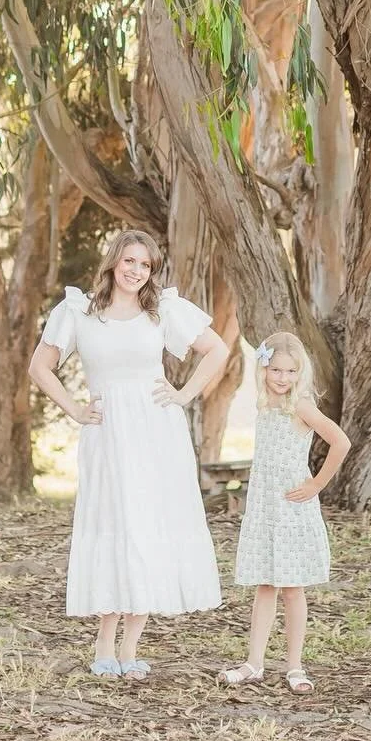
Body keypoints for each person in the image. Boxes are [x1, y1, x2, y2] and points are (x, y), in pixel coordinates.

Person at [28, 229, 228, 679]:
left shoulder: (162, 311)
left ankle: (132, 645)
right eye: (130, 261)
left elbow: (217, 349)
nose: (137, 271)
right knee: (113, 525)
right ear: (113, 262)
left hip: (156, 431)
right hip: (107, 433)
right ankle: (104, 641)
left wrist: (184, 394)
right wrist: (75, 409)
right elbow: (39, 367)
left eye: (145, 264)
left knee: (146, 527)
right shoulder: (80, 312)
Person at [220, 332, 349, 695]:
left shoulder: (301, 406)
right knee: (265, 585)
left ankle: (294, 665)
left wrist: (317, 484)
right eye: (276, 370)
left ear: (299, 373)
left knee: (292, 588)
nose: (282, 377)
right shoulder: (264, 404)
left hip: (291, 507)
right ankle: (254, 662)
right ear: (263, 369)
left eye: (290, 371)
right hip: (265, 506)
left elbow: (341, 441)